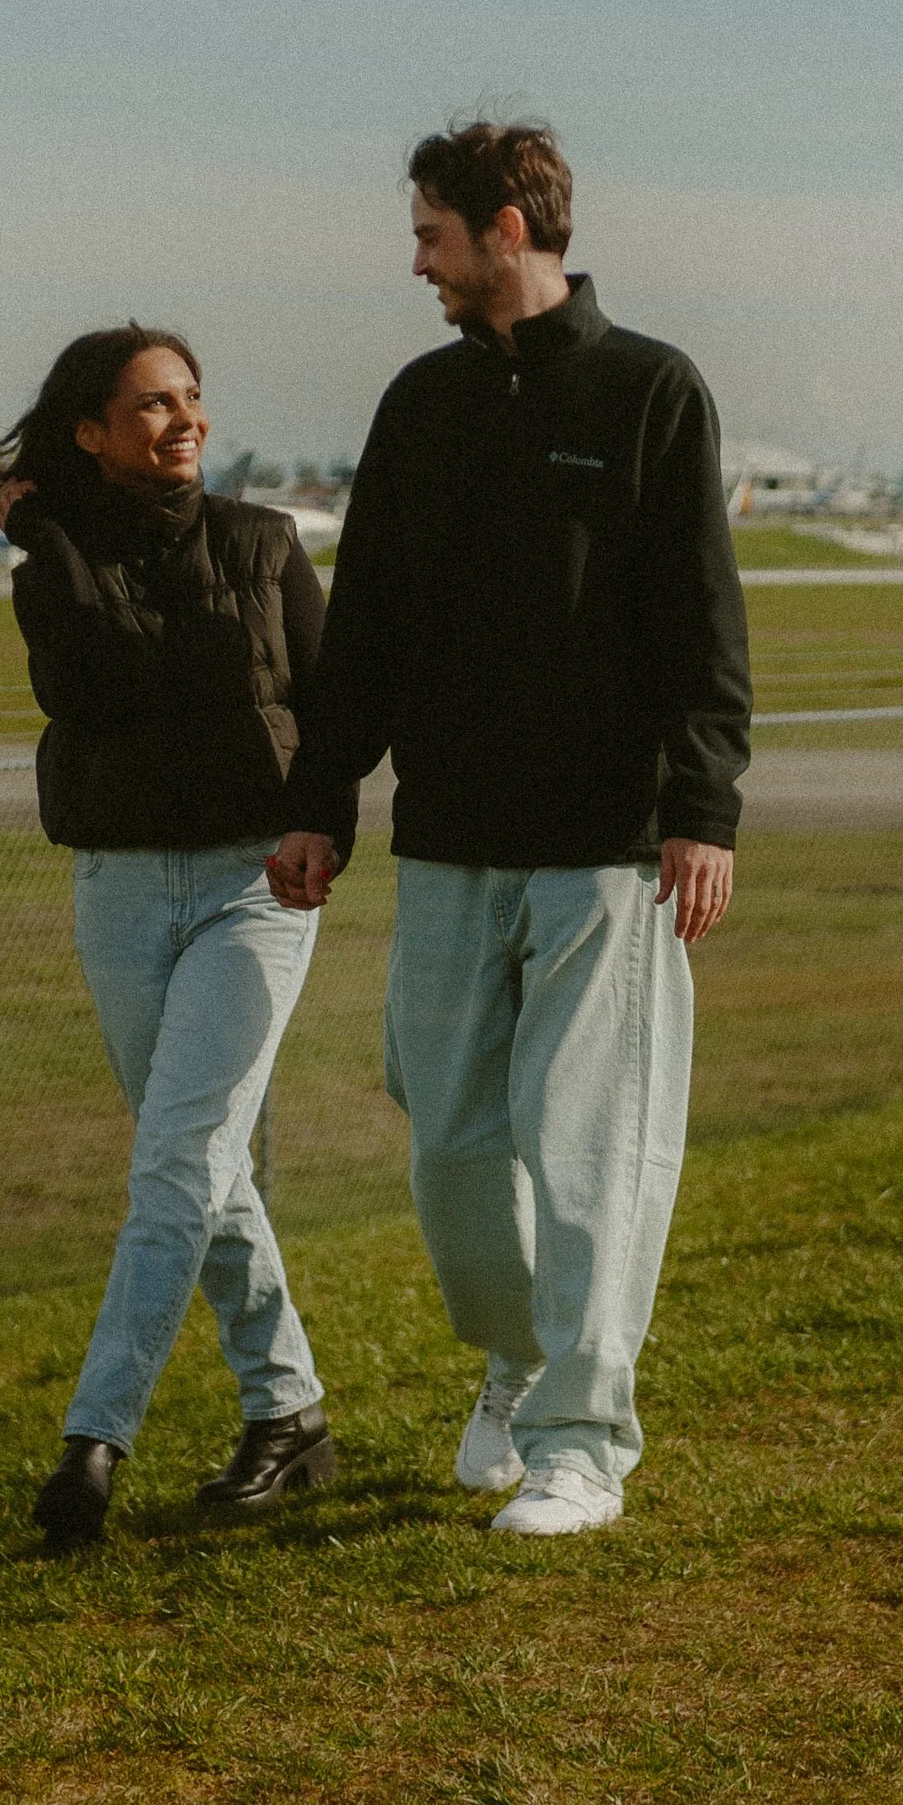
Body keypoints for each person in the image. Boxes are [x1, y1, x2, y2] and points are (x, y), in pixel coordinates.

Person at [271, 122, 751, 1539]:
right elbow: (366, 629)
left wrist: (702, 809)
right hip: (450, 842)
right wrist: (322, 803)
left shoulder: (654, 390)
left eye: (431, 233)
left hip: (607, 846)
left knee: (591, 1147)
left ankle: (582, 1444)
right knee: (452, 1147)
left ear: (504, 227)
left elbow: (701, 621)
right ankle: (519, 1361)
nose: (415, 259)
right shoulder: (420, 404)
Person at [0, 323, 355, 1553]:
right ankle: (289, 1412)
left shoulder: (263, 542)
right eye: (151, 404)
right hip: (118, 887)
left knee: (177, 1161)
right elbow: (92, 689)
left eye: (192, 397)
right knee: (201, 1167)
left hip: (258, 884)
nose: (183, 418)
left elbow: (330, 707)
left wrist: (325, 828)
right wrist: (50, 539)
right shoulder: (51, 562)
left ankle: (94, 1441)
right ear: (91, 430)